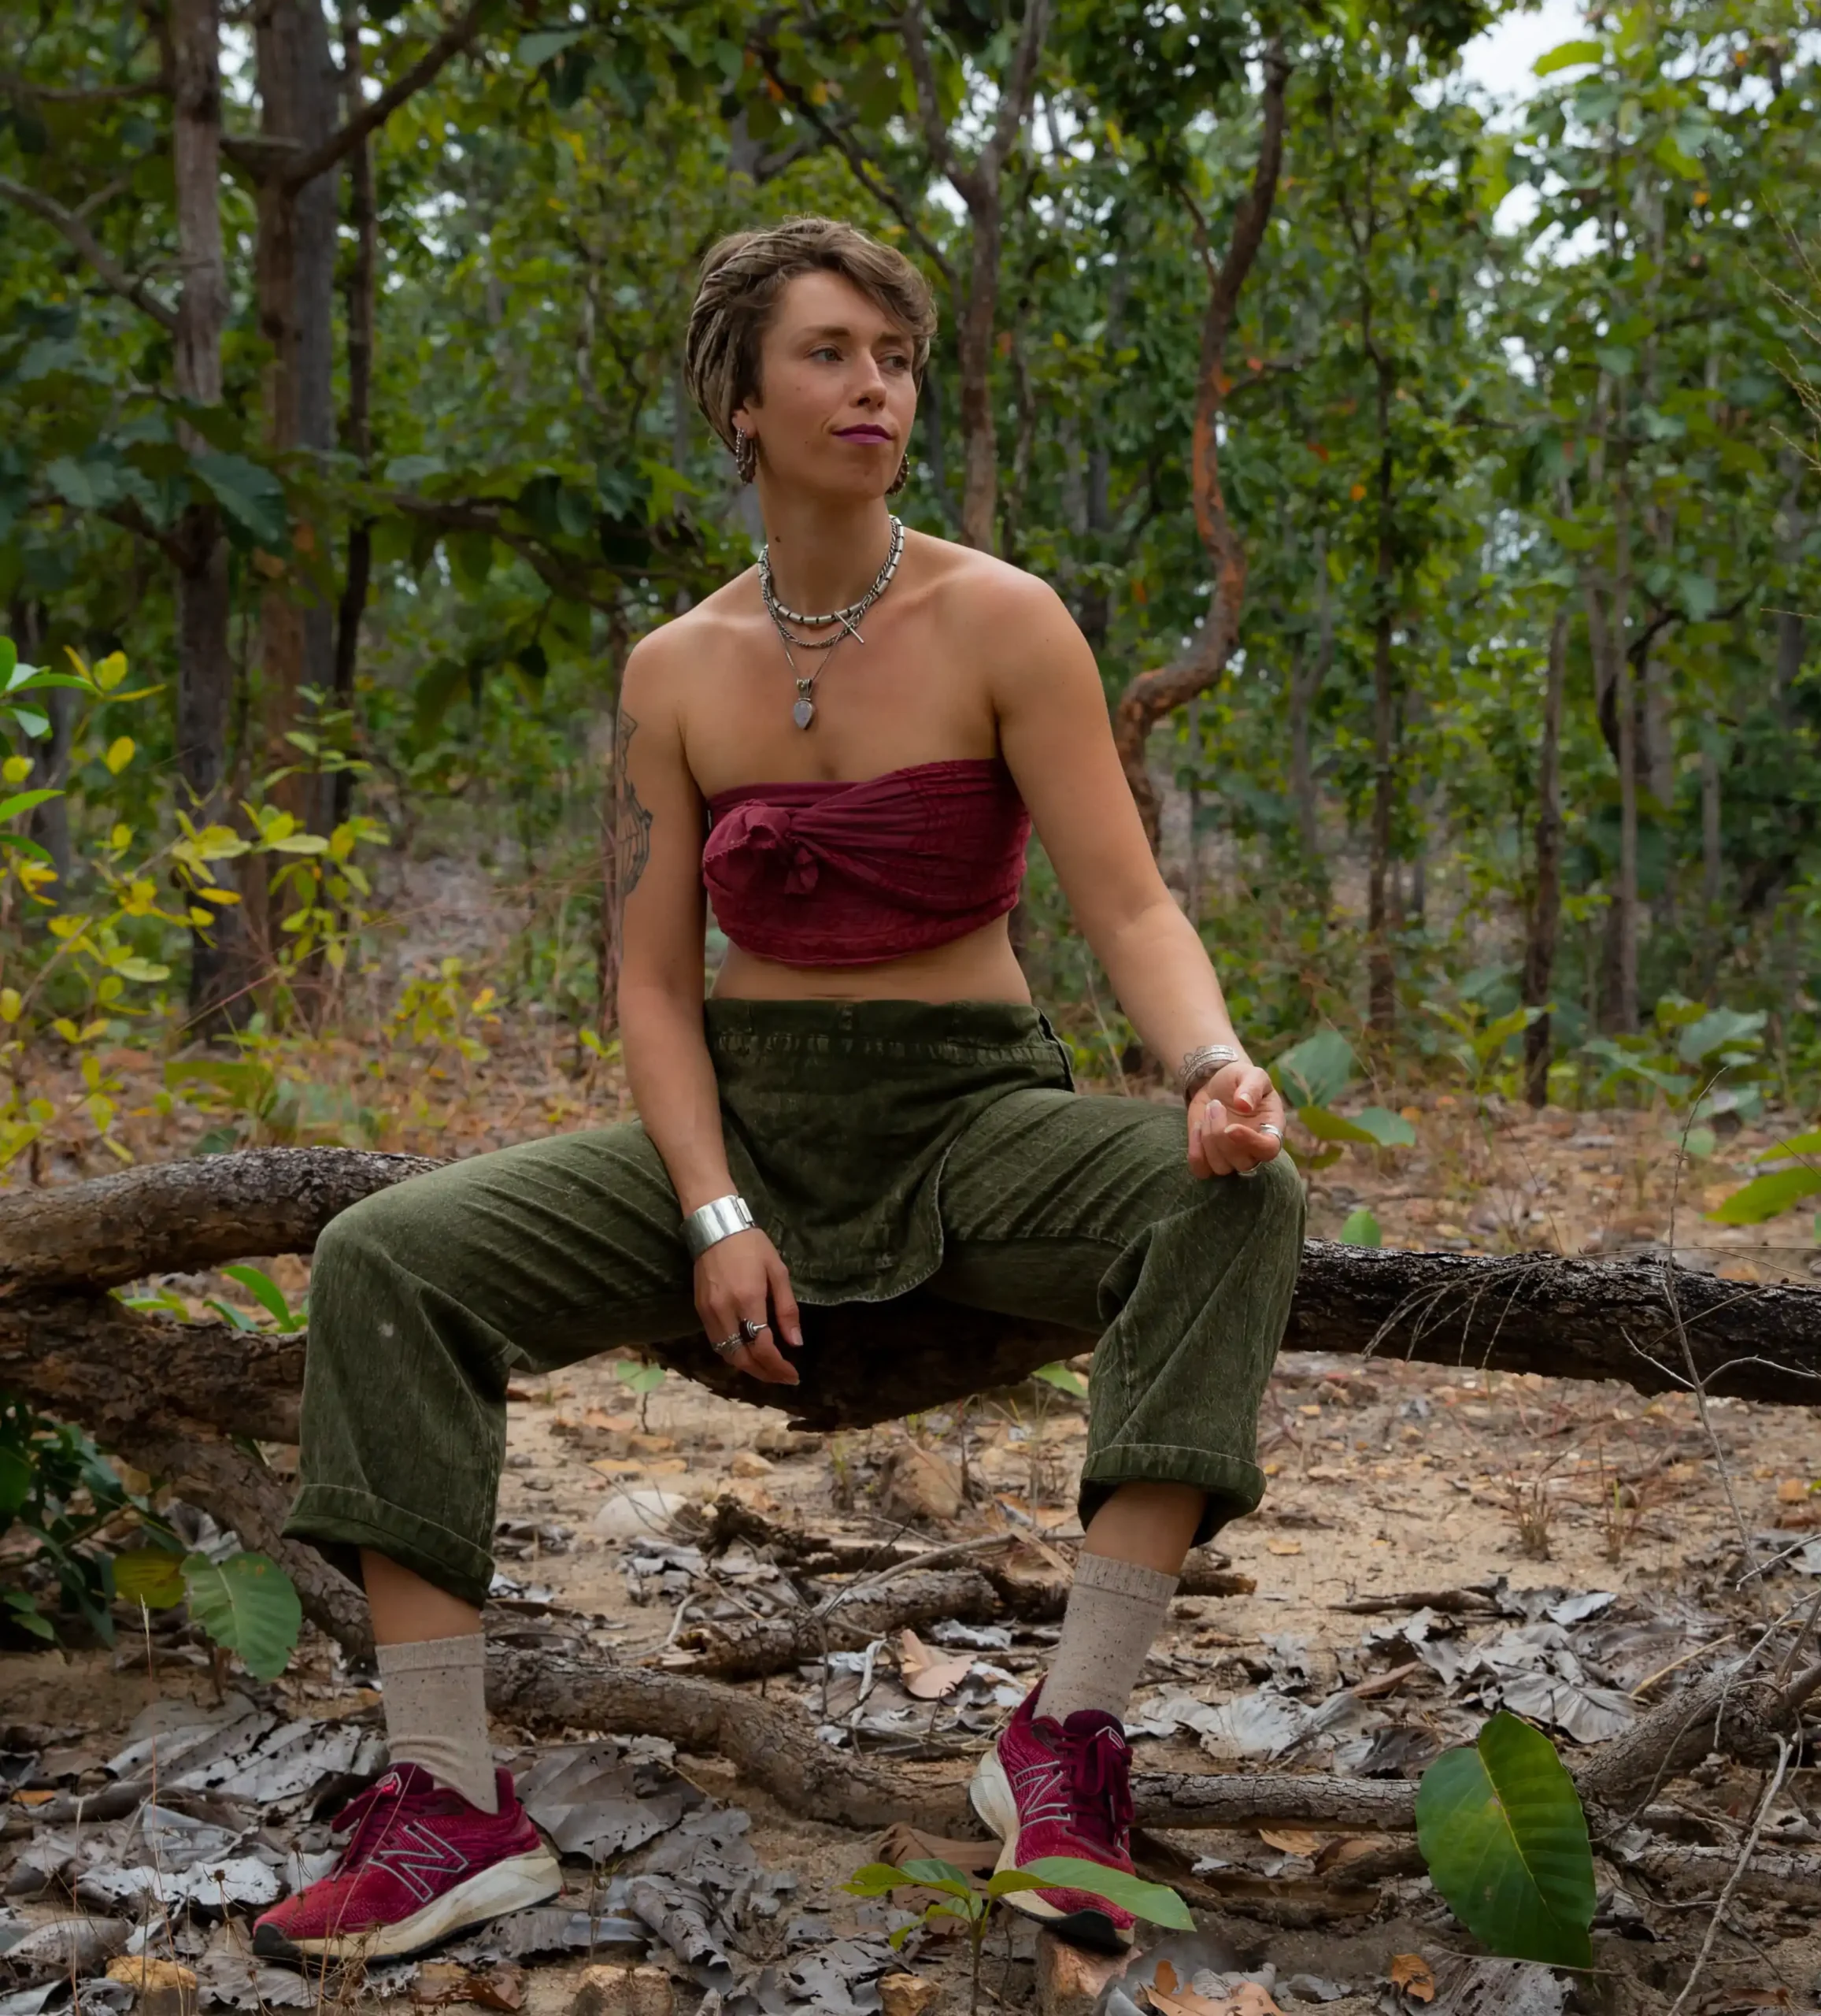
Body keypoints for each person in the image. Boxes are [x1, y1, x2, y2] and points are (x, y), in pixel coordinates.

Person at [254, 214, 1303, 1966]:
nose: (873, 385)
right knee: (386, 1253)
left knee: (1237, 1195)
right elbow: (653, 982)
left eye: (894, 355)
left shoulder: (1003, 618)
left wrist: (1212, 1068)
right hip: (740, 1119)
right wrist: (713, 1207)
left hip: (971, 1115)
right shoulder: (676, 668)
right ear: (741, 397)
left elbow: (1129, 900)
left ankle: (1062, 1743)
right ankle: (444, 1795)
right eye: (830, 352)